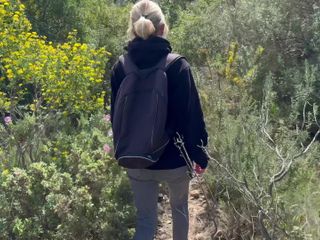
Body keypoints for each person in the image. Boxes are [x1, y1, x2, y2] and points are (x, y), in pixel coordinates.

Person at [109, 1, 209, 239]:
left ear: (133, 29)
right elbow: (192, 117)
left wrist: (121, 150)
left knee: (145, 220)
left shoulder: (120, 68)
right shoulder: (177, 66)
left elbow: (116, 117)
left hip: (136, 159)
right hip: (175, 161)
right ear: (163, 27)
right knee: (180, 210)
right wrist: (200, 156)